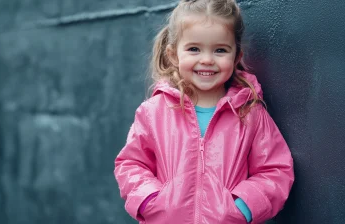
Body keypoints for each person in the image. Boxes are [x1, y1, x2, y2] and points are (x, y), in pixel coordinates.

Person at [114, 0, 294, 223]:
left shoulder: (250, 113)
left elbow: (276, 170)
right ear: (173, 55)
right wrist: (150, 200)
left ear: (237, 56)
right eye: (194, 49)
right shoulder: (153, 112)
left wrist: (242, 208)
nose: (207, 60)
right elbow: (131, 163)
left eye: (220, 50)